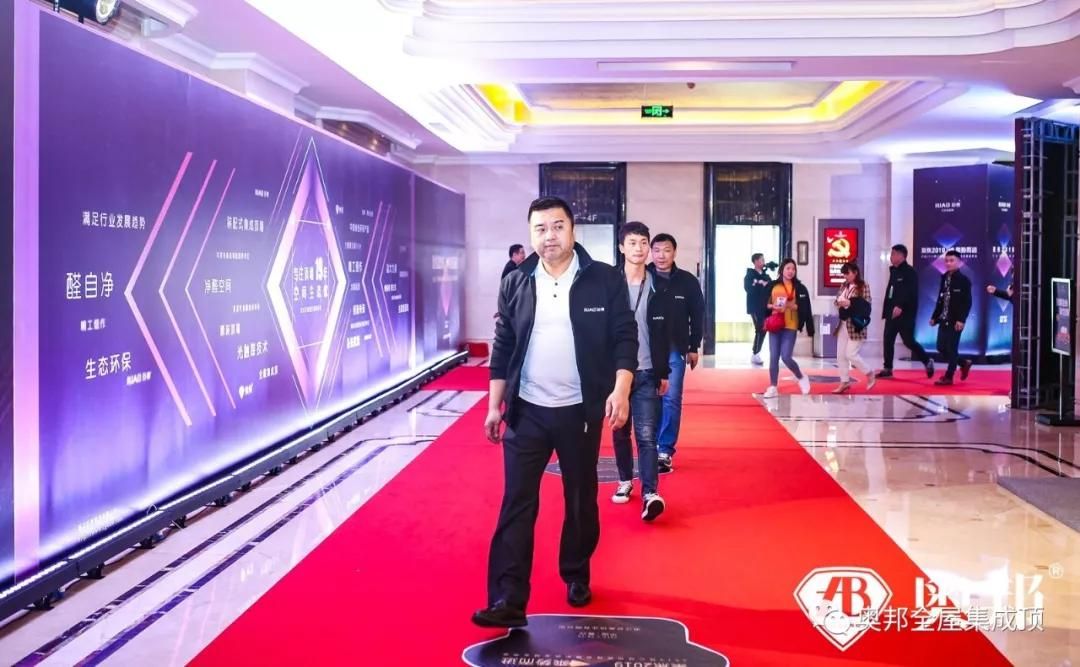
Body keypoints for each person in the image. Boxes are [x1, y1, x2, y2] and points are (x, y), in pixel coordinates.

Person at [474, 196, 636, 629]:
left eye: (558, 226)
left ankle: (576, 572)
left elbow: (624, 337)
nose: (550, 236)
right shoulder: (516, 281)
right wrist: (494, 406)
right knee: (517, 502)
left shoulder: (603, 279)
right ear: (531, 234)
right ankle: (508, 597)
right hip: (526, 411)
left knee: (580, 499)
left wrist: (621, 389)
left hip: (579, 412)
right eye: (540, 228)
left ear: (573, 229)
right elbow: (503, 344)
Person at [611, 222, 673, 521]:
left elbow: (663, 331)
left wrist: (664, 372)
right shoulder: (609, 283)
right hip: (616, 373)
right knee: (620, 431)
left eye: (643, 243)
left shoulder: (659, 285)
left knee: (647, 436)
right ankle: (625, 479)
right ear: (622, 247)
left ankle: (650, 493)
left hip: (647, 370)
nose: (639, 248)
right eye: (632, 243)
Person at [649, 233, 705, 474]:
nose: (661, 255)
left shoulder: (687, 281)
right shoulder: (643, 276)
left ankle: (664, 450)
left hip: (675, 347)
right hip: (646, 347)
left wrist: (693, 346)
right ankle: (649, 446)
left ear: (674, 252)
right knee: (650, 398)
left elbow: (698, 314)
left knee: (671, 397)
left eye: (667, 250)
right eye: (657, 250)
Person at [879, 244, 935, 379]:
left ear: (901, 256)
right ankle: (887, 368)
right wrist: (887, 310)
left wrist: (900, 306)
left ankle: (927, 360)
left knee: (908, 341)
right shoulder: (894, 271)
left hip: (905, 314)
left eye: (893, 254)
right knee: (888, 339)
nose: (891, 257)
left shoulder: (910, 272)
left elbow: (910, 292)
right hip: (891, 313)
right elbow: (891, 292)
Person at [762, 259, 814, 398]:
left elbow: (804, 307)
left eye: (793, 269)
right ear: (782, 270)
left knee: (786, 356)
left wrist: (789, 306)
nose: (791, 271)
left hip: (790, 325)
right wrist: (773, 306)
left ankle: (801, 376)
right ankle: (773, 386)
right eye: (788, 268)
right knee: (773, 356)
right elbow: (765, 304)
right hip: (775, 324)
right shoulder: (773, 285)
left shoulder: (799, 287)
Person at [931, 250, 974, 386]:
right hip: (943, 319)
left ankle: (949, 376)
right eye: (947, 261)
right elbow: (941, 300)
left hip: (956, 320)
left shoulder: (964, 280)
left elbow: (967, 302)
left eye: (952, 261)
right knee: (941, 347)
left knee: (952, 348)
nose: (948, 263)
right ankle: (963, 363)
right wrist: (934, 317)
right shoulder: (944, 278)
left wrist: (961, 320)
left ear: (959, 262)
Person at [833, 262, 876, 394]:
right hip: (843, 324)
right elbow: (836, 301)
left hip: (856, 325)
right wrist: (840, 302)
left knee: (850, 354)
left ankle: (869, 373)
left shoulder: (863, 286)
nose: (845, 276)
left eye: (848, 273)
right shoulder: (844, 286)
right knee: (840, 355)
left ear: (855, 272)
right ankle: (844, 381)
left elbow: (866, 306)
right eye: (844, 274)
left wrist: (850, 302)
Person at [744, 254, 771, 366]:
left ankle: (756, 352)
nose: (763, 262)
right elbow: (748, 288)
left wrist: (761, 283)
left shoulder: (766, 275)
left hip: (765, 307)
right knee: (760, 327)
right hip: (754, 307)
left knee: (764, 328)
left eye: (764, 260)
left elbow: (770, 287)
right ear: (755, 261)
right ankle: (755, 353)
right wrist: (760, 284)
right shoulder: (749, 275)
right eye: (761, 260)